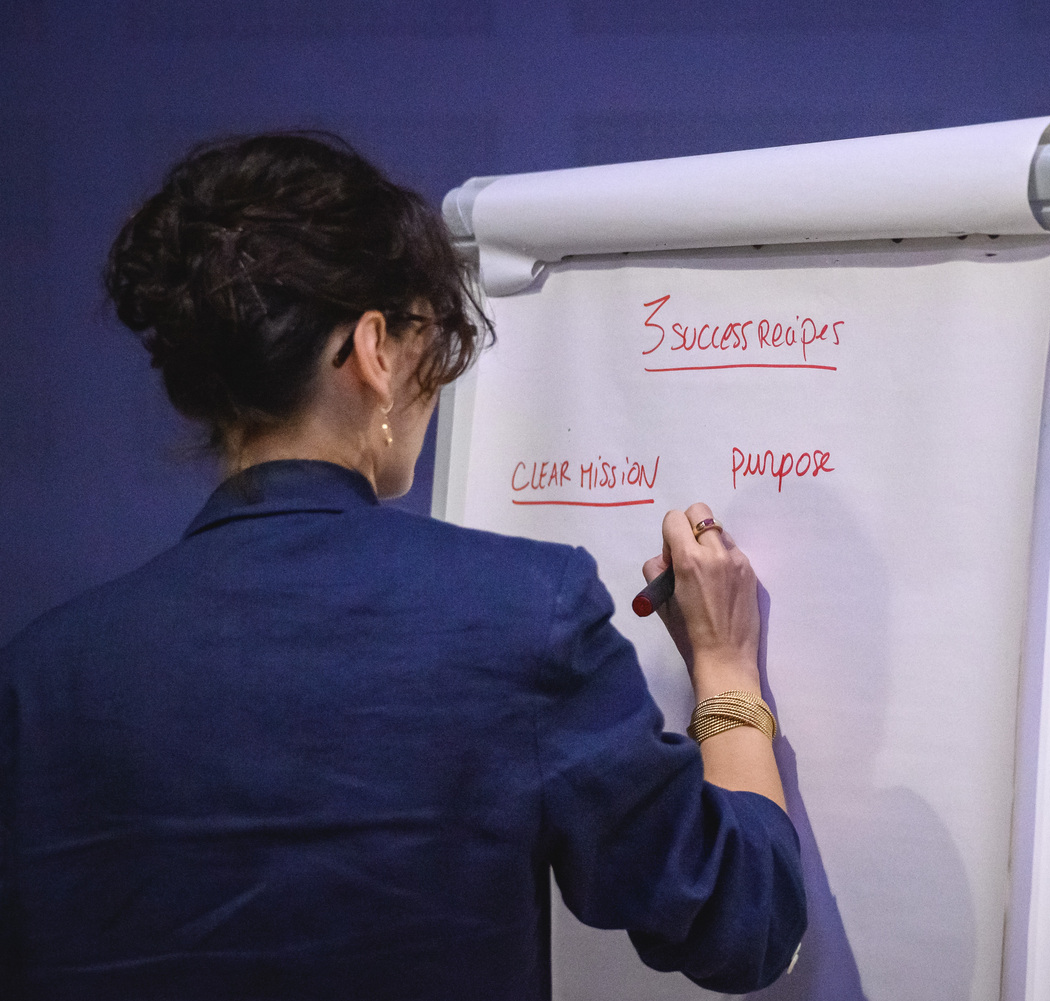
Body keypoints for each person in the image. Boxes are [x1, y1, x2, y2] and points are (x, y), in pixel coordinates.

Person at [0, 133, 806, 999]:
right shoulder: (523, 613)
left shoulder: (39, 678)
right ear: (373, 349)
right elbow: (741, 921)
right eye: (431, 341)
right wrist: (725, 673)